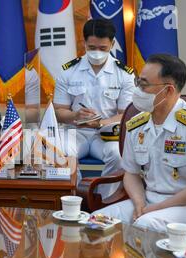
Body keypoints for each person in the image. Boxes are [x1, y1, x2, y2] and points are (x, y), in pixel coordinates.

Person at [93, 54, 186, 235]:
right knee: (95, 222)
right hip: (148, 201)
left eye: (144, 84)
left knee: (145, 226)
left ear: (168, 90)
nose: (137, 90)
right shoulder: (137, 124)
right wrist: (139, 203)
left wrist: (157, 208)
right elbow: (130, 173)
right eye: (137, 82)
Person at [54, 18, 135, 198]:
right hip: (76, 132)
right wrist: (75, 115)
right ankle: (76, 198)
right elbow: (59, 111)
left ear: (112, 44)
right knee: (60, 150)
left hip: (107, 135)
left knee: (120, 154)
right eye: (91, 48)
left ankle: (104, 201)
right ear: (84, 43)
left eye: (103, 48)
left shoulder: (124, 74)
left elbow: (126, 115)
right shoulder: (68, 71)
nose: (96, 52)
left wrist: (100, 123)